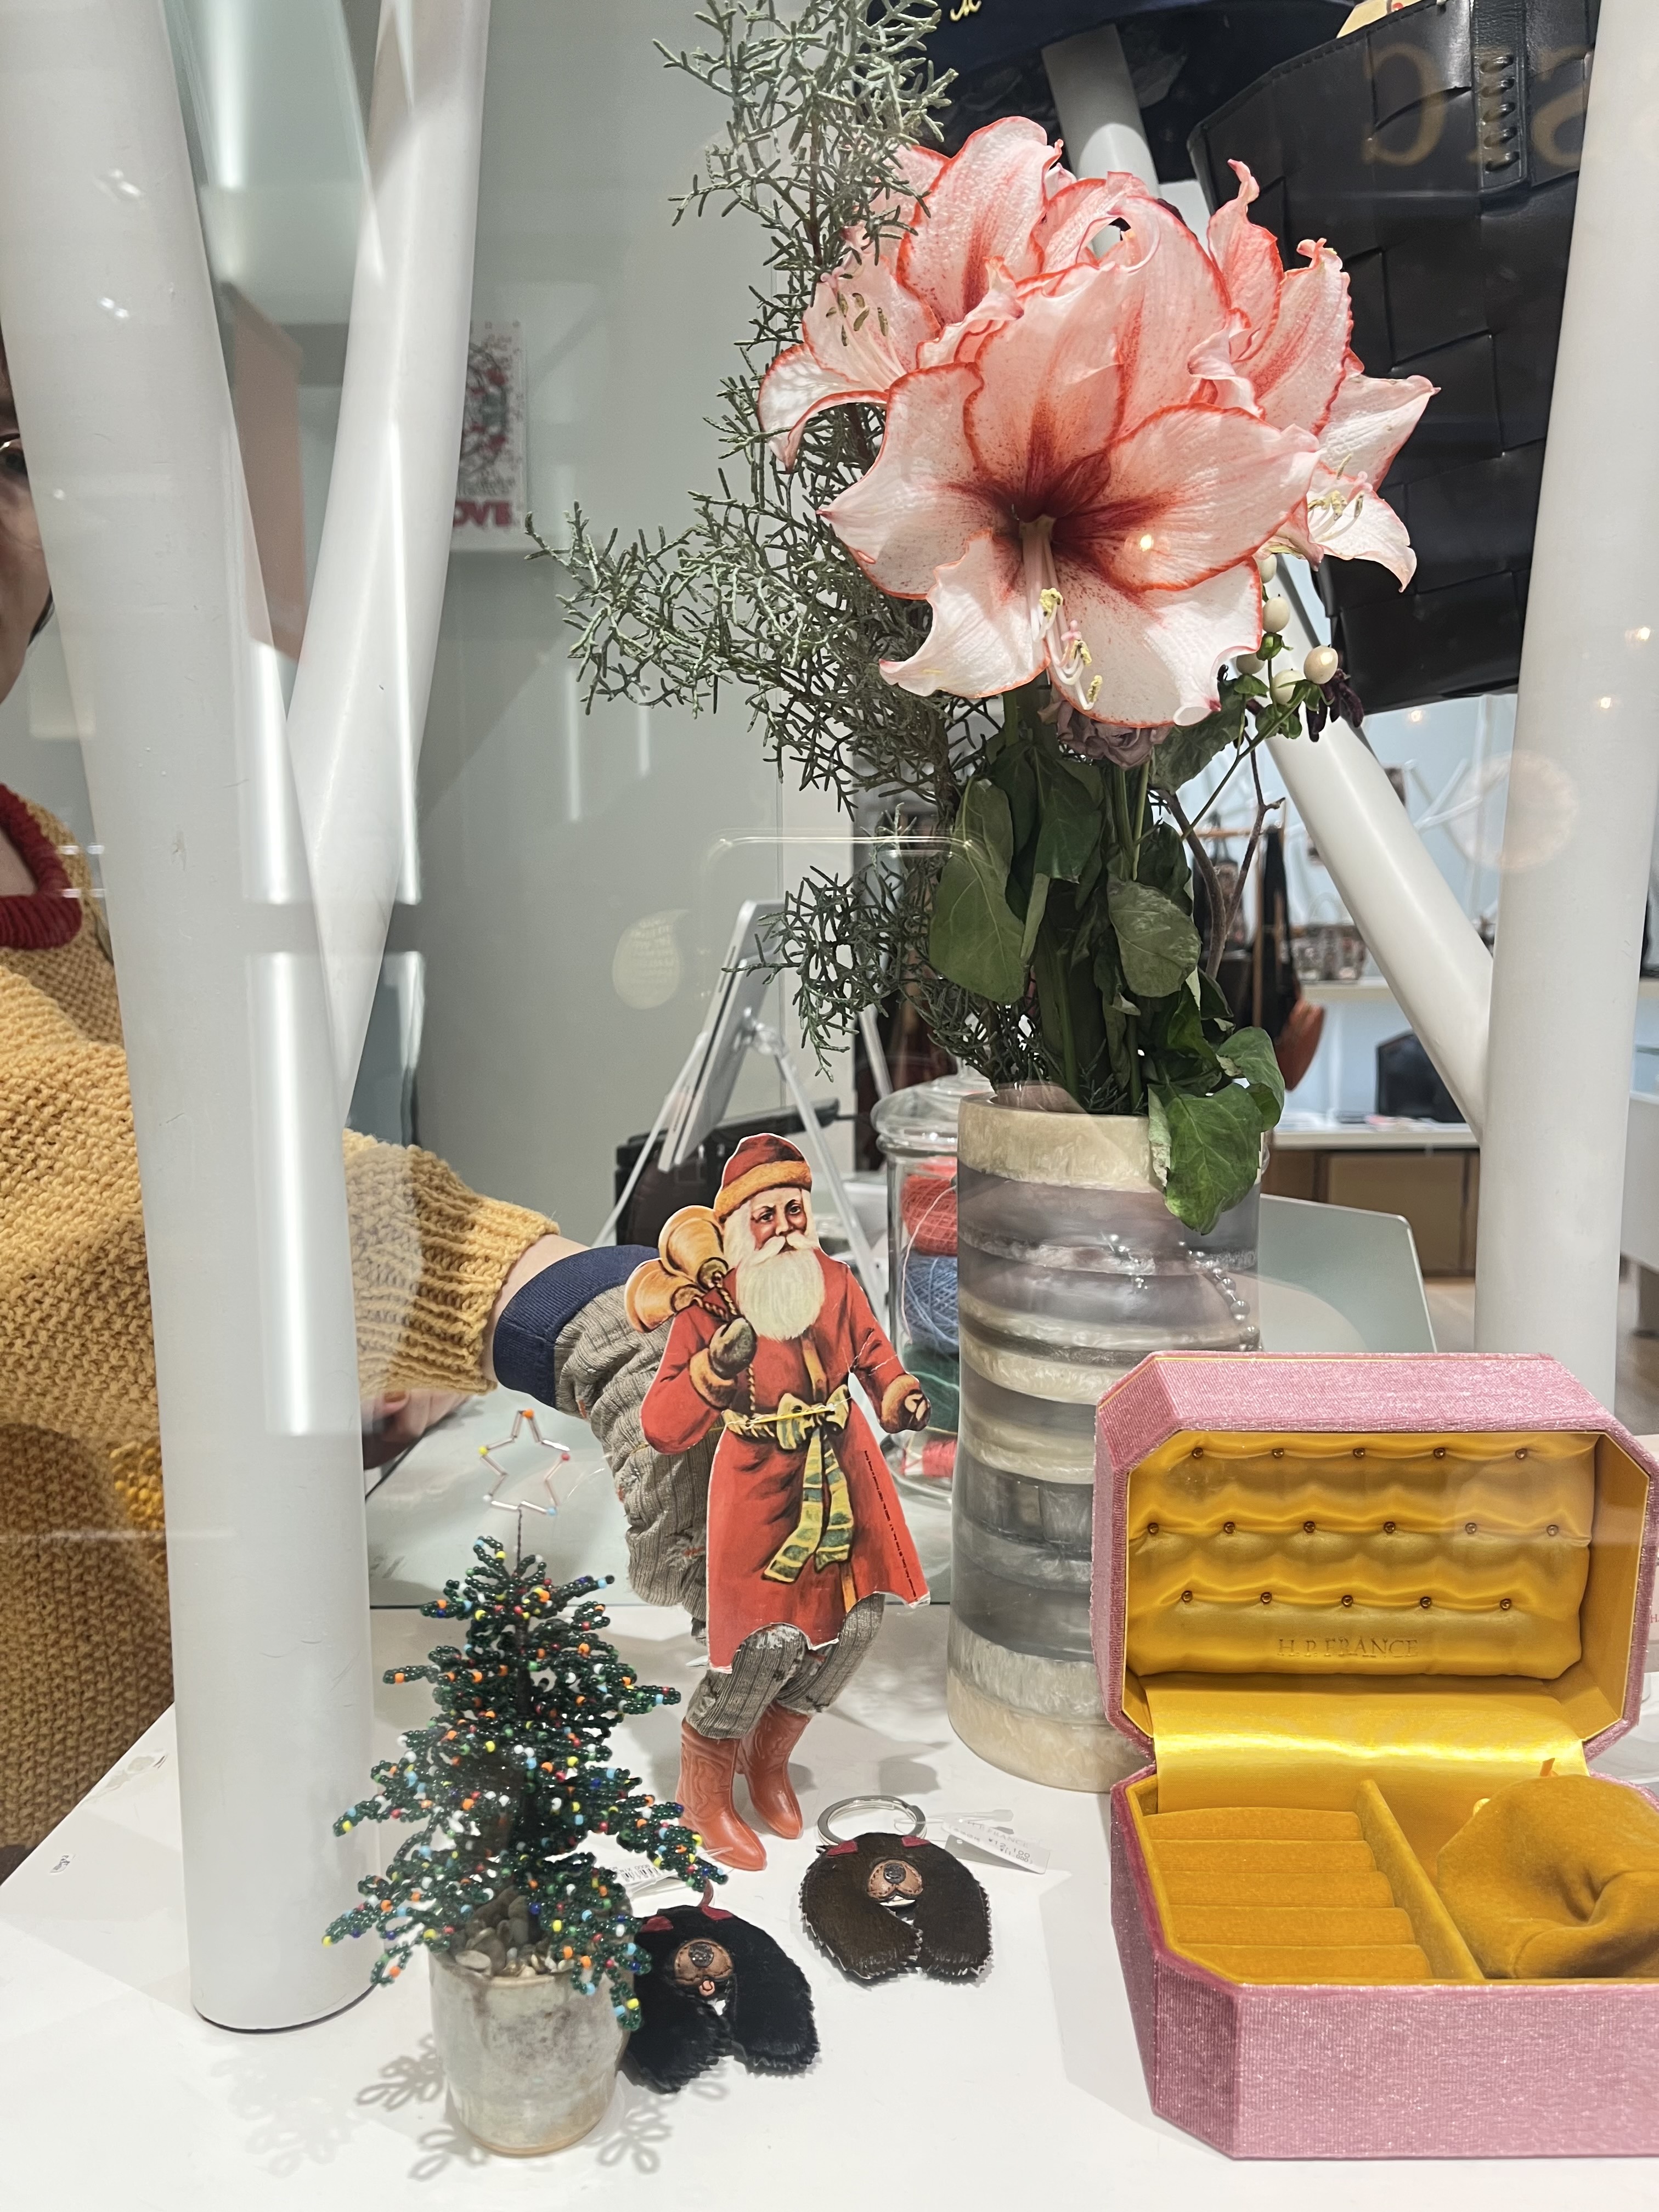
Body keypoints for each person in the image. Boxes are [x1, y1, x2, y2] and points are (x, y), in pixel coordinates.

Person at [0, 368, 690, 1872]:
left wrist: (330, 1377)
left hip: (152, 1756)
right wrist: (524, 1292)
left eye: (4, 454)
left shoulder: (33, 853)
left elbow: (124, 1295)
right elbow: (74, 1190)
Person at [625, 1133, 929, 1869]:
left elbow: (874, 1355)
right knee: (762, 1646)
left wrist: (897, 1393)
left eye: (794, 1209)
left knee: (858, 1621)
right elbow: (663, 1424)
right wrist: (712, 1369)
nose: (785, 1227)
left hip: (845, 1474)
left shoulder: (836, 1280)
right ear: (738, 1226)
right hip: (760, 1489)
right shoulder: (713, 1306)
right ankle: (703, 1787)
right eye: (766, 1215)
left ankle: (767, 1757)